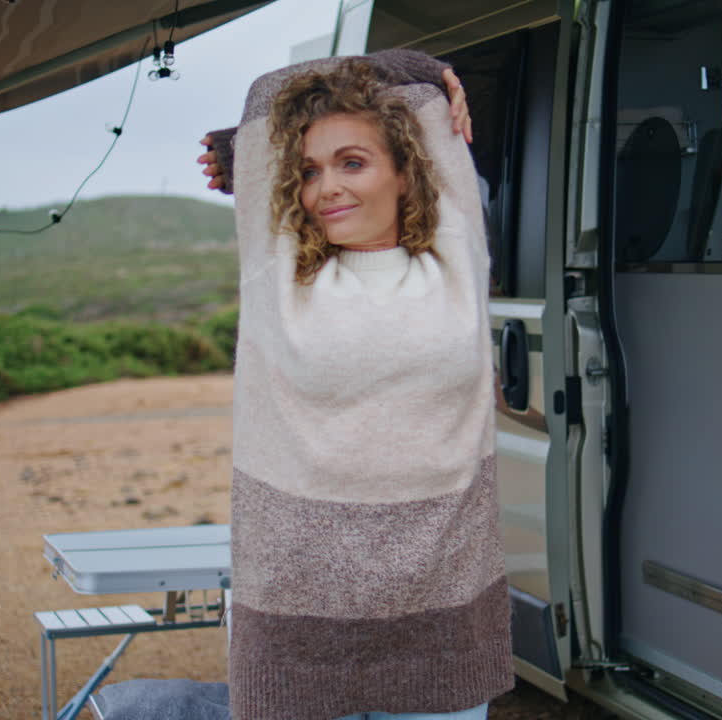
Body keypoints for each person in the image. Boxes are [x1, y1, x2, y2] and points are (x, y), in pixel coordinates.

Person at [197, 51, 509, 720]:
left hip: (441, 615)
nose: (326, 187)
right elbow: (265, 91)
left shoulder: (456, 260)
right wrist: (415, 62)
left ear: (405, 170)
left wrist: (429, 76)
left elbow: (424, 110)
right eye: (308, 171)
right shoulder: (277, 277)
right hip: (296, 622)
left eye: (353, 162)